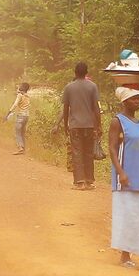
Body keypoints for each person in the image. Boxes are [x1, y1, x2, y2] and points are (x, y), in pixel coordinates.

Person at [108, 87, 139, 268]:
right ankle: (124, 255)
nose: (137, 102)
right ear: (124, 102)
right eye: (133, 99)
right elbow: (112, 148)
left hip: (138, 177)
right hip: (124, 178)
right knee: (126, 214)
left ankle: (129, 253)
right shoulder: (118, 121)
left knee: (136, 216)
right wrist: (120, 172)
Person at [62, 62, 101, 190]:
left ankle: (80, 182)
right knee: (88, 152)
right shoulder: (92, 86)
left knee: (77, 152)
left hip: (75, 125)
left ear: (75, 72)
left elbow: (66, 108)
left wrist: (65, 125)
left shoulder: (69, 87)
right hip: (89, 125)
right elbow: (96, 108)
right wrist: (98, 125)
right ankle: (89, 181)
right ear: (86, 73)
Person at [4, 82, 31, 155]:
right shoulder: (28, 96)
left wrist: (8, 113)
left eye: (21, 86)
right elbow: (21, 93)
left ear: (24, 88)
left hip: (21, 116)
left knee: (18, 133)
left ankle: (20, 148)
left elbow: (15, 104)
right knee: (22, 133)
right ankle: (23, 149)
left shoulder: (19, 95)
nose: (19, 87)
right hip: (26, 116)